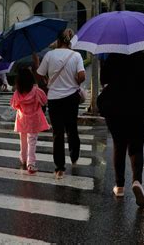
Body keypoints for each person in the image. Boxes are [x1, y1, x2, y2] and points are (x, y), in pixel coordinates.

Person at [99, 52, 144, 207]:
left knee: (119, 145)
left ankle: (120, 186)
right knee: (137, 147)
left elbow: (104, 81)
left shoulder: (112, 57)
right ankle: (137, 181)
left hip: (116, 107)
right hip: (140, 106)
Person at [36, 29, 85, 179]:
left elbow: (39, 74)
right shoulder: (76, 55)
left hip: (54, 99)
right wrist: (74, 81)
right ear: (69, 41)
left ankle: (59, 169)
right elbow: (82, 76)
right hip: (71, 98)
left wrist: (46, 83)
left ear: (58, 41)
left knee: (57, 133)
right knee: (72, 127)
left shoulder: (49, 55)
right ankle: (74, 155)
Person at [10, 68, 49, 174]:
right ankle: (31, 163)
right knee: (32, 141)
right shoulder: (36, 91)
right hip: (34, 119)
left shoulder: (17, 93)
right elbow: (44, 101)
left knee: (23, 140)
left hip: (22, 119)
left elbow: (13, 105)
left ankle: (23, 159)